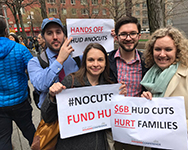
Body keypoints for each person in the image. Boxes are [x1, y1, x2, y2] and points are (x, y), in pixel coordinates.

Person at [41, 43, 127, 150]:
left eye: (100, 60)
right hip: (70, 145)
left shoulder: (109, 87)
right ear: (85, 62)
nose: (95, 64)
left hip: (99, 145)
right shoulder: (70, 81)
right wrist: (52, 96)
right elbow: (47, 117)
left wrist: (121, 101)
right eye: (91, 60)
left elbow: (116, 122)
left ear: (106, 63)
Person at [140, 27, 188, 150]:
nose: (162, 54)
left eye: (168, 49)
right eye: (157, 49)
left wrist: (167, 129)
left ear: (178, 51)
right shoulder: (149, 77)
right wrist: (145, 104)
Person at [108, 16, 148, 150]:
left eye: (132, 33)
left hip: (137, 125)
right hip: (111, 125)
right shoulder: (106, 61)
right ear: (116, 37)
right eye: (123, 34)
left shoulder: (147, 62)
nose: (128, 38)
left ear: (139, 36)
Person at [28, 17, 80, 109]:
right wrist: (59, 60)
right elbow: (41, 85)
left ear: (64, 35)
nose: (55, 37)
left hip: (76, 110)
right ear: (43, 37)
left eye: (58, 32)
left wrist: (111, 36)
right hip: (52, 114)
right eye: (49, 33)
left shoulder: (77, 57)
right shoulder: (35, 62)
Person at [0, 17, 36, 149]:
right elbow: (34, 71)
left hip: (0, 105)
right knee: (30, 132)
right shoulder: (20, 49)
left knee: (3, 139)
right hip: (20, 101)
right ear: (5, 31)